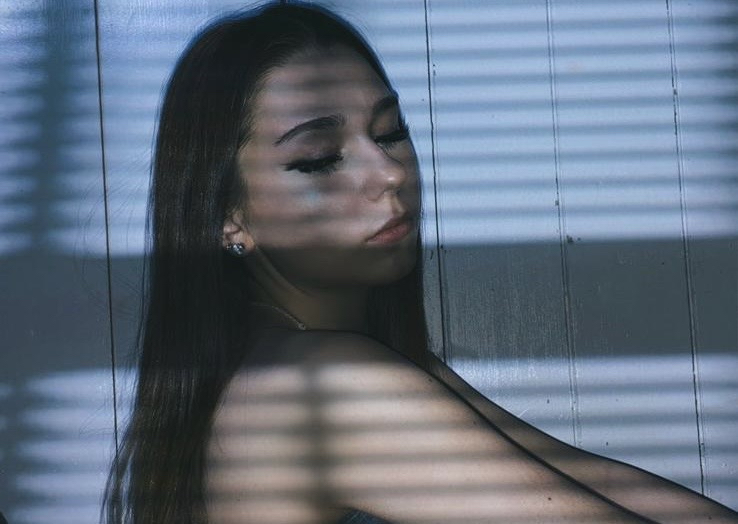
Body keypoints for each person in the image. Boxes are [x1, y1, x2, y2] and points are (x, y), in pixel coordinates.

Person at [104, 3, 738, 523]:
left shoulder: (324, 365)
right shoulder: (320, 387)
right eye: (320, 158)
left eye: (389, 132)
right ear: (228, 215)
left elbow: (592, 479)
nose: (389, 173)